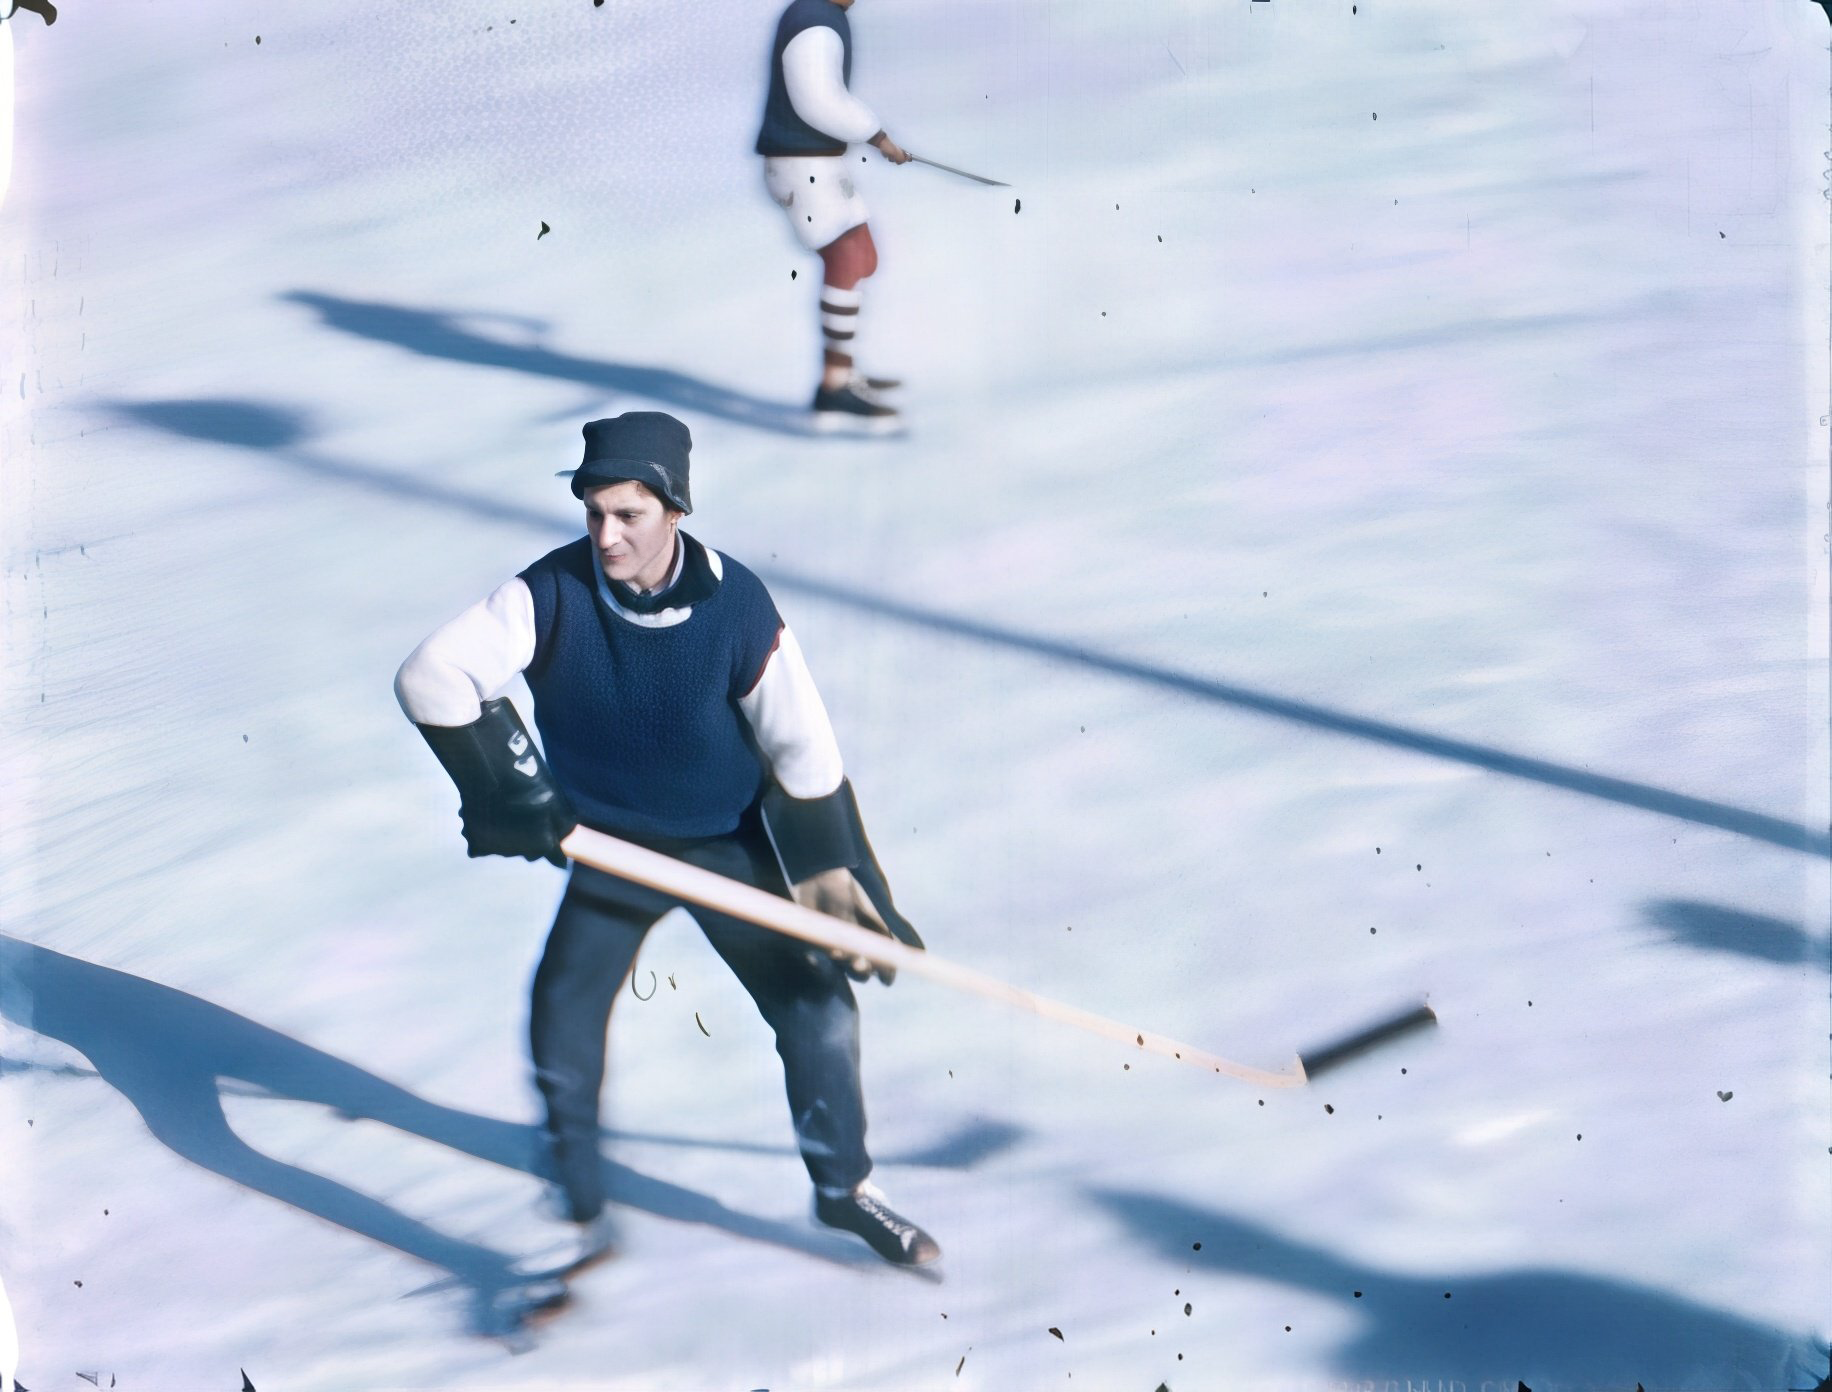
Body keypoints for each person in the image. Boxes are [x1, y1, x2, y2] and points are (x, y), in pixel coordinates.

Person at [394, 411, 940, 1270]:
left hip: (727, 844)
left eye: (629, 515)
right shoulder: (551, 594)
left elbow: (801, 745)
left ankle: (844, 1189)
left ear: (675, 509)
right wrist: (513, 792)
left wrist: (830, 869)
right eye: (594, 514)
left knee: (820, 1010)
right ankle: (579, 1206)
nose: (606, 535)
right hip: (610, 845)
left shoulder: (737, 607)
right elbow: (433, 676)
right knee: (563, 1011)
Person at [756, 0, 910, 435]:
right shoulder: (814, 19)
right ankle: (835, 386)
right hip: (799, 162)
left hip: (816, 161)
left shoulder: (821, 16)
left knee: (862, 257)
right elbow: (818, 99)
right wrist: (877, 137)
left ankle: (842, 371)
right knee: (847, 257)